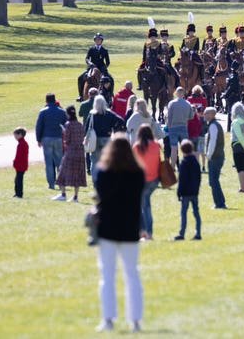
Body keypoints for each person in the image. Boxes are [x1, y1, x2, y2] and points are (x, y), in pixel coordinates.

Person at [93, 133, 144, 332]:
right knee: (132, 274)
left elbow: (99, 191)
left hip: (107, 227)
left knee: (107, 275)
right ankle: (135, 321)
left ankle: (108, 319)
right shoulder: (137, 173)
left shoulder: (103, 172)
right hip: (130, 227)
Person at [132, 124, 161, 241]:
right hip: (154, 179)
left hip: (142, 180)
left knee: (144, 207)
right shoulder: (156, 145)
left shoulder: (137, 147)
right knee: (144, 205)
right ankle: (144, 232)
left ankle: (146, 232)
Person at [53, 106, 87, 202]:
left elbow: (67, 140)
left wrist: (64, 132)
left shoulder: (68, 125)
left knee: (62, 172)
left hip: (71, 151)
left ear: (68, 114)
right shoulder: (80, 124)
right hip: (80, 151)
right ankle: (75, 197)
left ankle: (63, 194)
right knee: (78, 173)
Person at [85, 95, 126, 173]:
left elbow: (87, 128)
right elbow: (121, 121)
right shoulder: (109, 114)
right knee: (108, 160)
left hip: (95, 140)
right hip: (107, 139)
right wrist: (115, 129)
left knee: (94, 162)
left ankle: (95, 180)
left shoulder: (92, 114)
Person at [35, 93, 67, 190]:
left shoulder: (43, 112)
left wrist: (38, 139)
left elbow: (39, 126)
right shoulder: (62, 112)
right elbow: (66, 125)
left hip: (46, 138)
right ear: (54, 100)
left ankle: (51, 184)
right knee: (59, 162)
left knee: (48, 162)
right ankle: (62, 182)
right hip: (58, 138)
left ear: (46, 101)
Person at [174, 140, 202, 241]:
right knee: (196, 213)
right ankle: (198, 233)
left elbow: (182, 180)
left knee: (183, 213)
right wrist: (197, 188)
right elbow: (199, 177)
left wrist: (179, 192)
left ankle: (182, 233)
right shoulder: (195, 162)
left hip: (185, 192)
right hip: (194, 191)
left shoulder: (184, 163)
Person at [204, 107, 226, 209]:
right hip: (218, 156)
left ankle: (219, 203)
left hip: (215, 157)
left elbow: (212, 142)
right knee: (214, 181)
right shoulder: (214, 125)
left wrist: (208, 155)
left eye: (206, 113)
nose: (204, 115)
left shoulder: (213, 126)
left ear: (212, 115)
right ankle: (220, 202)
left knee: (213, 181)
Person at [78, 33, 111, 101]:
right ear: (94, 40)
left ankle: (110, 95)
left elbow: (108, 62)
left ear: (101, 40)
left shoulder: (105, 50)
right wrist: (90, 63)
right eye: (96, 39)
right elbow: (87, 58)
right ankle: (81, 95)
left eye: (99, 39)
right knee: (80, 78)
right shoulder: (91, 49)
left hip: (101, 69)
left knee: (111, 79)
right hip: (92, 68)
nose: (97, 41)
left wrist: (104, 67)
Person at [166, 87, 193, 168]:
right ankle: (186, 165)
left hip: (173, 127)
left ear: (176, 93)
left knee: (173, 148)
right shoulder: (188, 104)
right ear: (183, 93)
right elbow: (191, 117)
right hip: (184, 127)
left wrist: (169, 126)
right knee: (185, 148)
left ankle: (173, 167)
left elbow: (169, 116)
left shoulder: (172, 103)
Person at [80, 88, 99, 175]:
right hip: (98, 128)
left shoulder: (84, 104)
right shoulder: (100, 103)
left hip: (87, 128)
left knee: (88, 148)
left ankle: (88, 168)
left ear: (88, 94)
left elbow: (80, 114)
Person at [12, 127, 28, 199]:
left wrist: (15, 162)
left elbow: (19, 156)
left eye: (15, 135)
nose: (15, 137)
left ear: (20, 134)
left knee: (19, 180)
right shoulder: (22, 143)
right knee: (17, 180)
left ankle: (19, 194)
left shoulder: (22, 144)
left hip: (21, 166)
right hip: (21, 165)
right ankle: (17, 193)